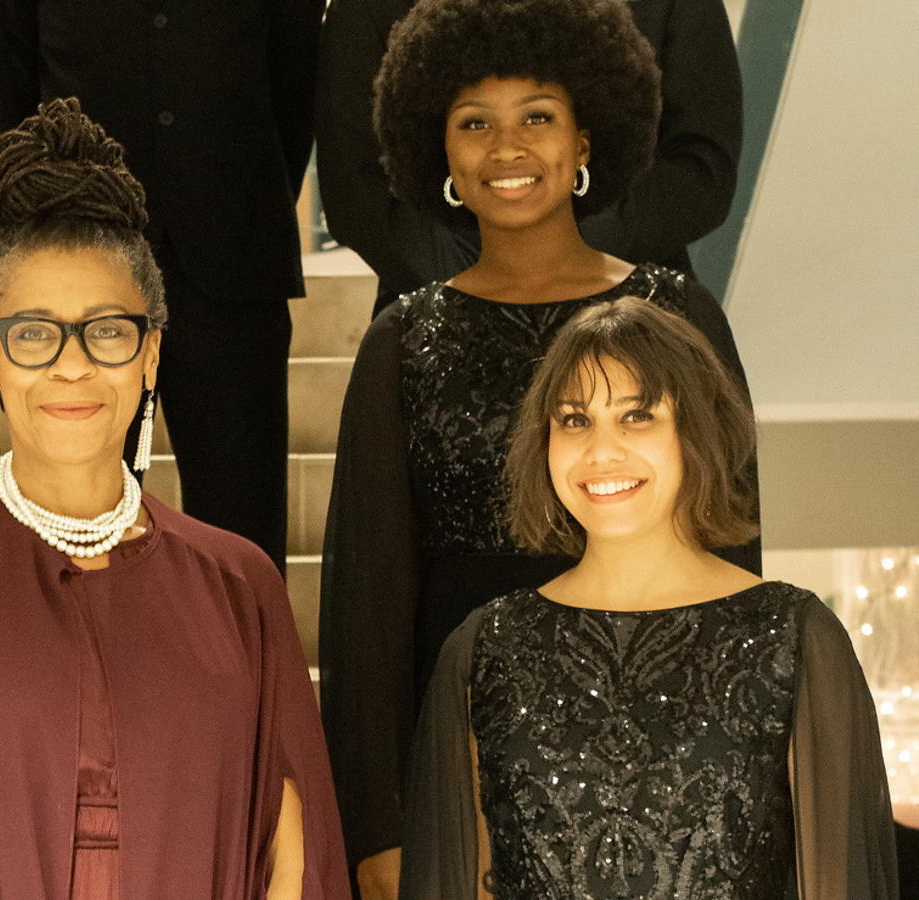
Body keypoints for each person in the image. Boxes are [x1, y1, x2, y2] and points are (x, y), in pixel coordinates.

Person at [0, 98, 348, 899]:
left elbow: (293, 851)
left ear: (151, 354)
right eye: (33, 333)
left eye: (107, 331)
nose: (72, 365)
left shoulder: (240, 586)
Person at [315, 0, 763, 895]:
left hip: (658, 754)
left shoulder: (675, 320)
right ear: (436, 151)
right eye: (474, 123)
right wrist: (377, 831)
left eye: (539, 119)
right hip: (460, 769)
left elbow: (733, 560)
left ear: (588, 140)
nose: (507, 148)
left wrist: (732, 782)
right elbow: (364, 614)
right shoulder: (403, 343)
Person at [401, 297, 898, 898]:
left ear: (697, 431)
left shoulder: (793, 638)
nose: (600, 451)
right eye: (574, 420)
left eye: (637, 416)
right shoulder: (486, 646)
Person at [0, 0, 324, 571]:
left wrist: (240, 201)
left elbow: (295, 91)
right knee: (69, 511)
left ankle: (243, 656)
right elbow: (1, 89)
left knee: (243, 514)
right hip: (77, 266)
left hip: (232, 254)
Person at [316, 0, 743, 312]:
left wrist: (570, 263)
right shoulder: (365, 8)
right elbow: (355, 185)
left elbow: (700, 162)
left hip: (636, 304)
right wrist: (484, 283)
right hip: (436, 307)